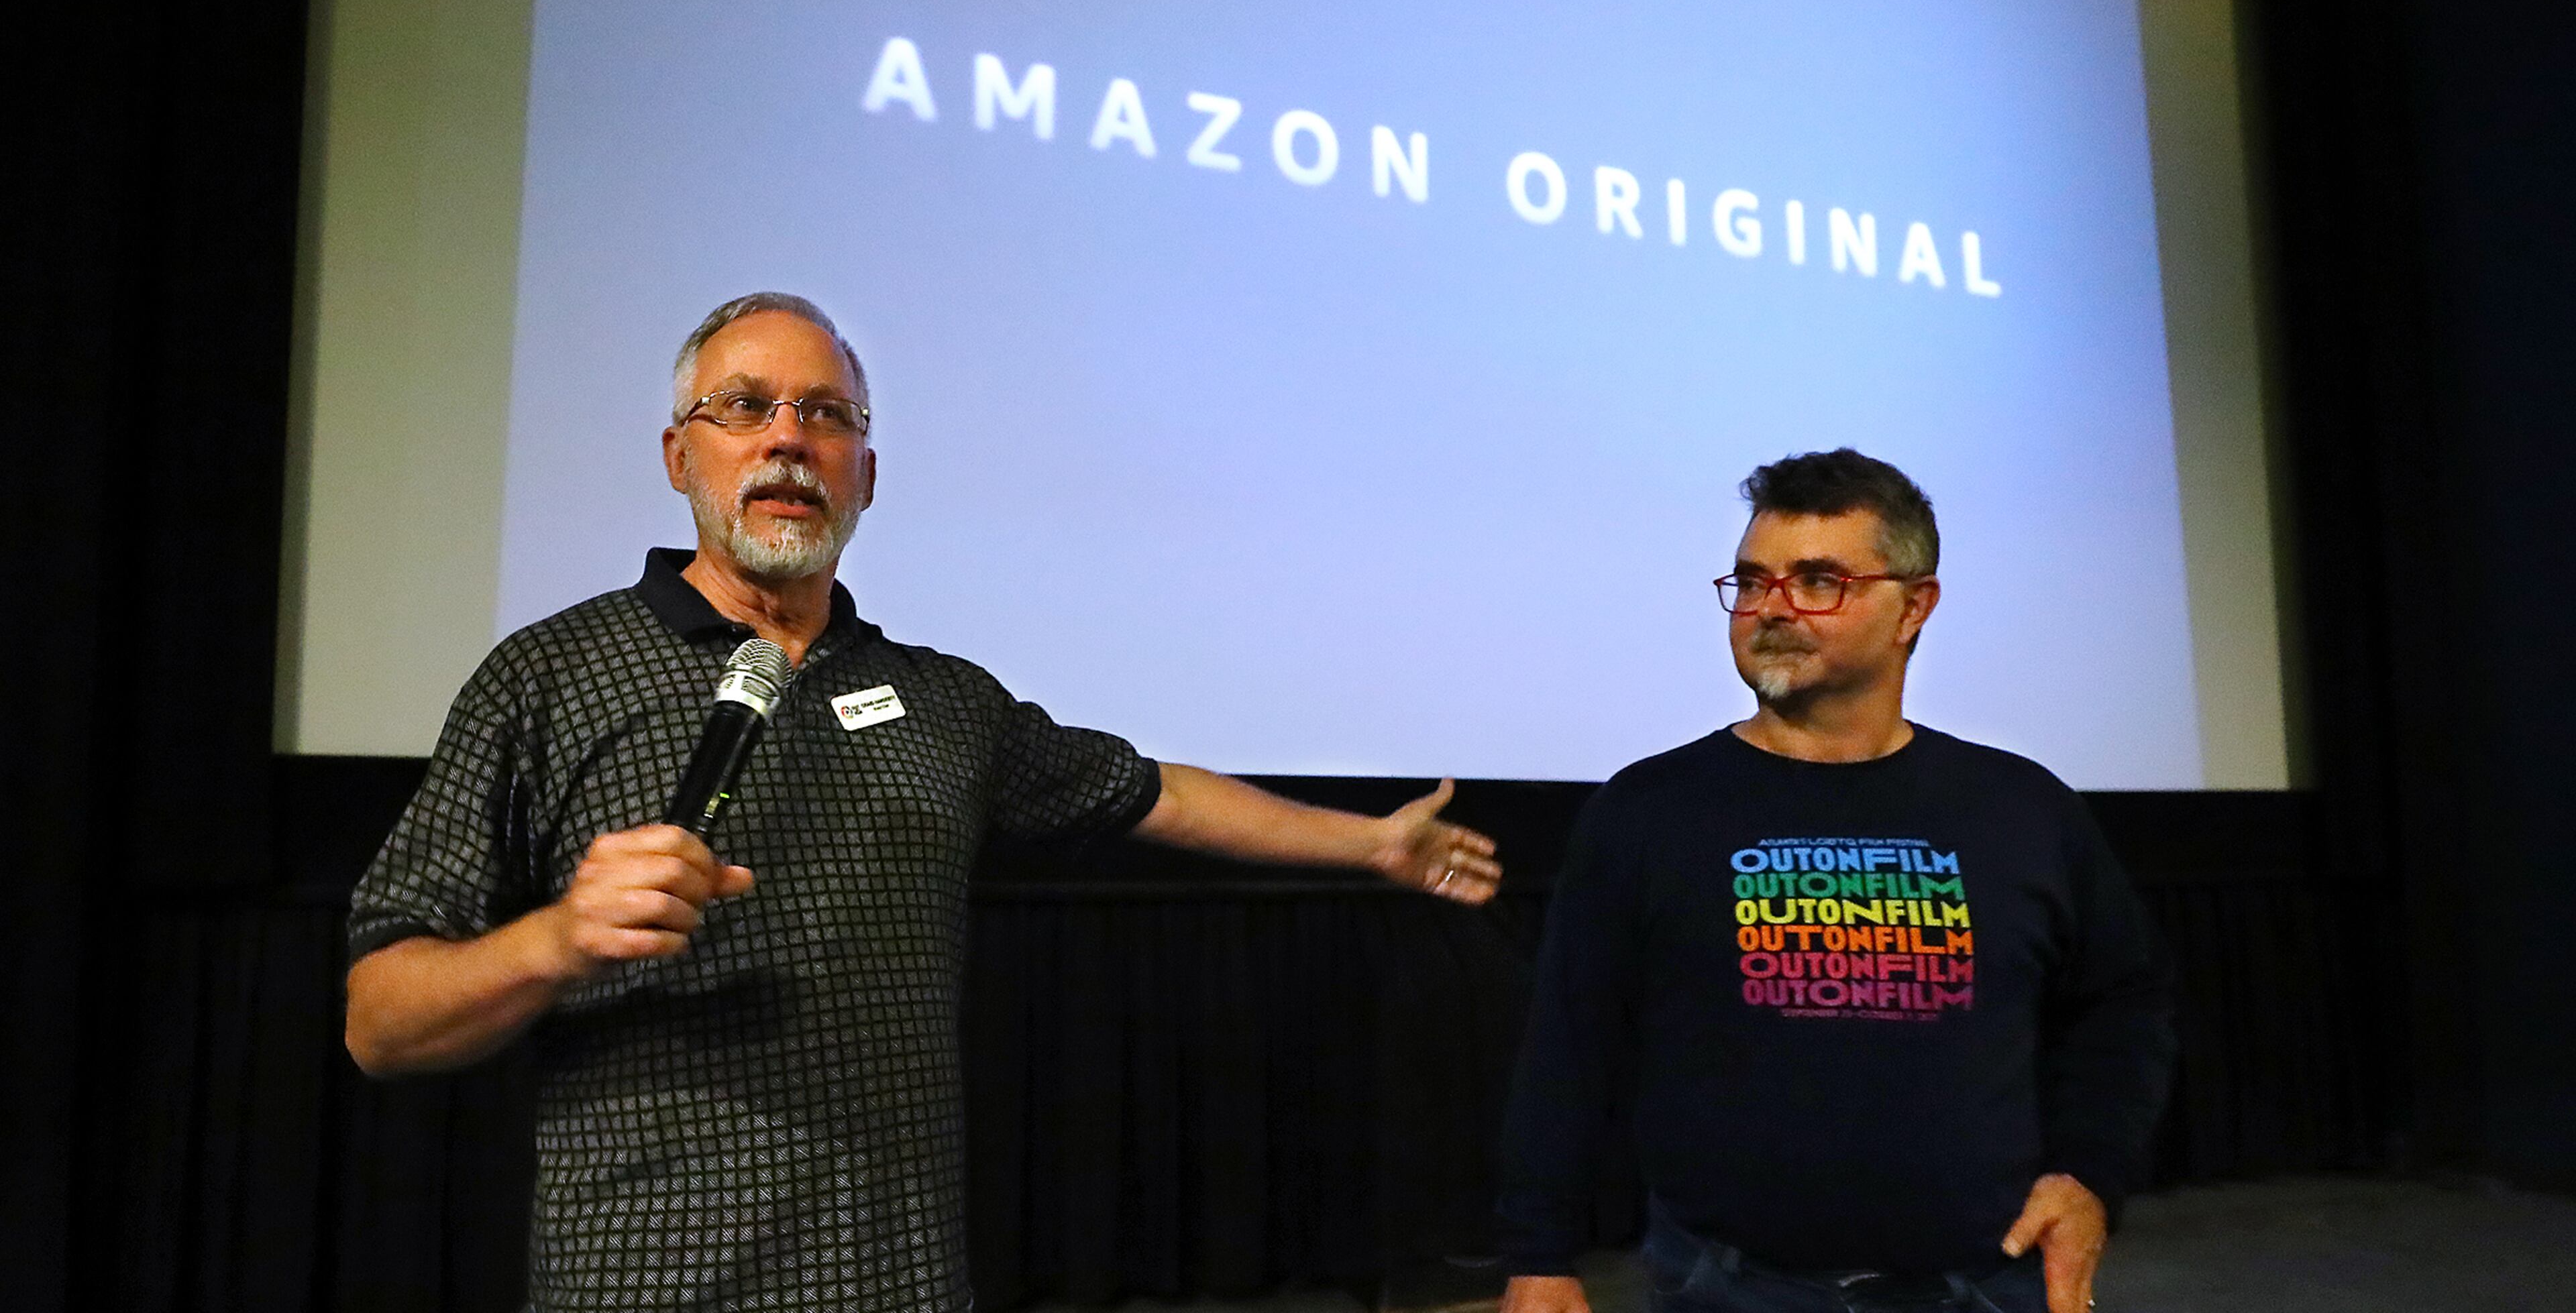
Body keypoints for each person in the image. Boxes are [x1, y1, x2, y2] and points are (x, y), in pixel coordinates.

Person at [343, 291, 1502, 1310]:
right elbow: (379, 1021)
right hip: (643, 1283)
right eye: (745, 408)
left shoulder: (941, 700)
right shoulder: (551, 676)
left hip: (902, 1282)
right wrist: (554, 943)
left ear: (869, 474)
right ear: (676, 455)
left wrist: (1373, 844)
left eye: (828, 415)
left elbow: (1152, 794)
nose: (790, 440)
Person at [1495, 449, 2174, 1313]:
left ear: (1914, 607)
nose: (1772, 608)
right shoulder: (1648, 812)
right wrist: (1538, 1256)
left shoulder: (2021, 808)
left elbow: (2123, 1004)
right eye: (1751, 581)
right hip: (1728, 1288)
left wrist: (2089, 1178)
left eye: (1818, 580)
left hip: (1988, 1282)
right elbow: (1568, 1045)